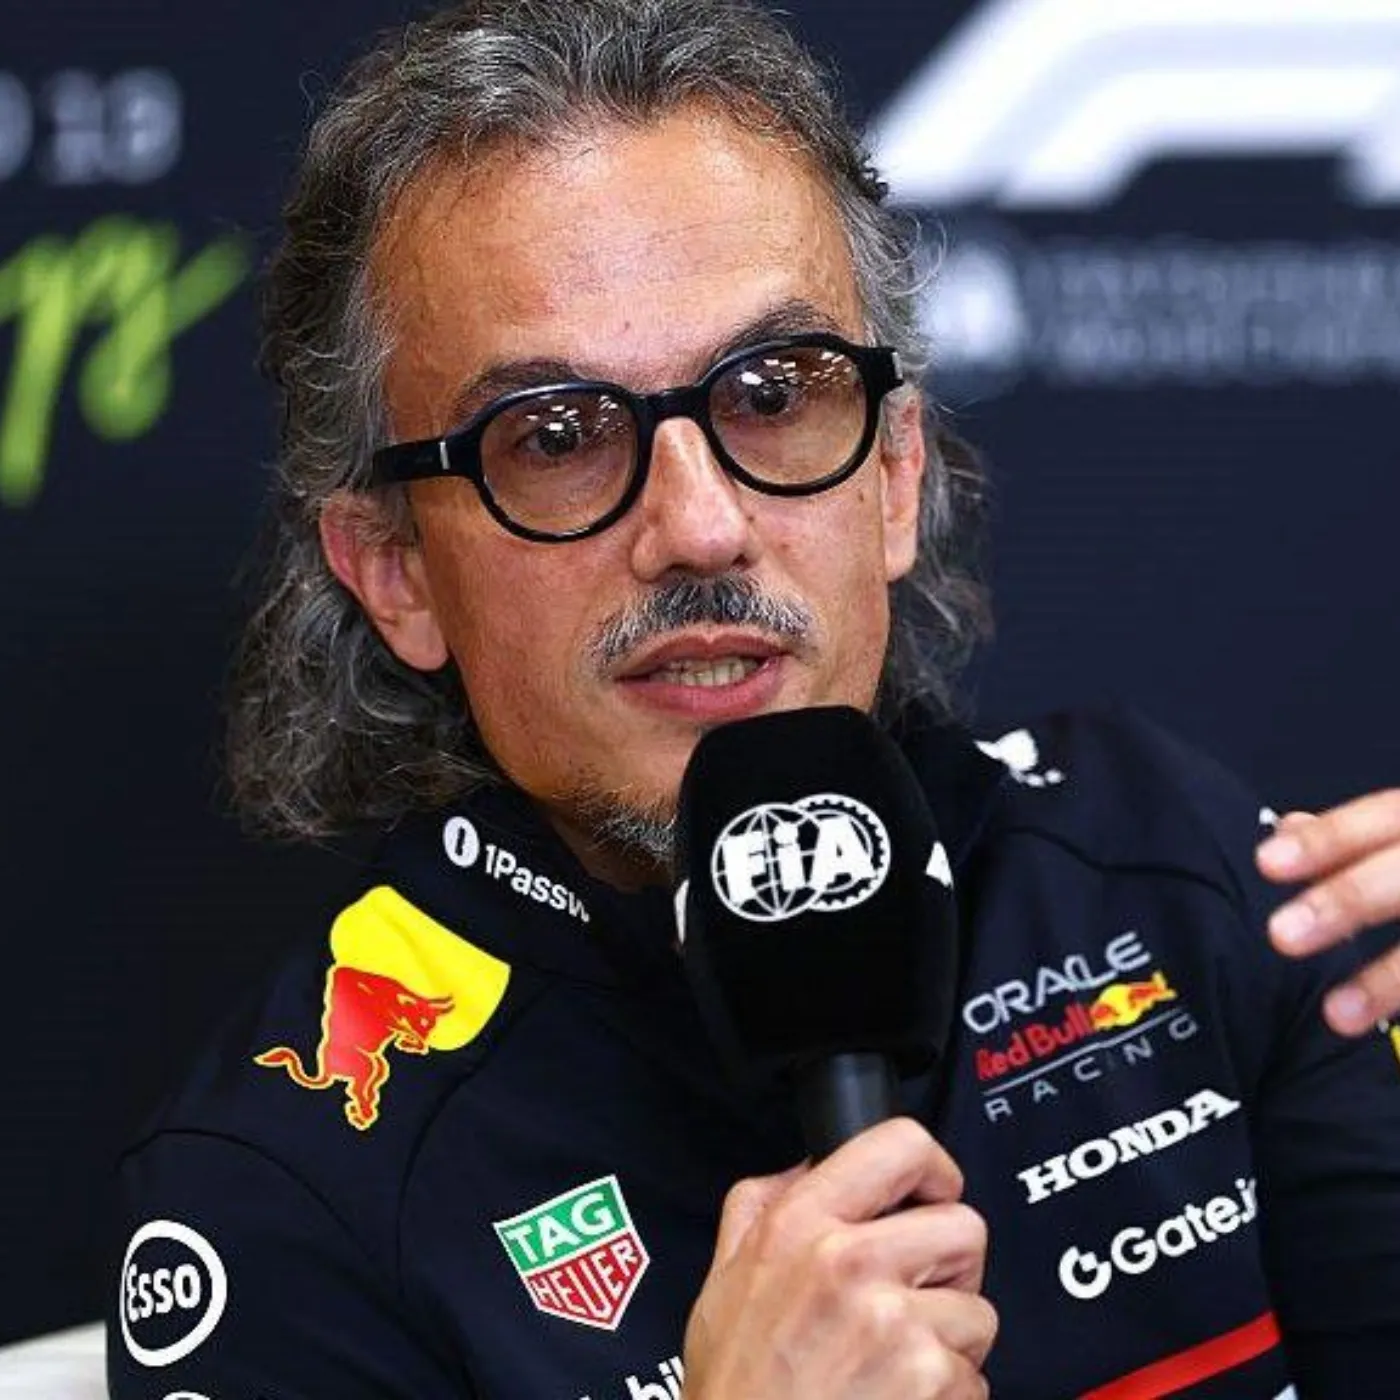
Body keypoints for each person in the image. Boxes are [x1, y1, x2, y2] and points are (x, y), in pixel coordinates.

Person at [107, 3, 1400, 1397]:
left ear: (895, 473)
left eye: (773, 394)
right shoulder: (282, 1199)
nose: (702, 525)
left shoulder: (1173, 870)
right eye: (555, 435)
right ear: (395, 571)